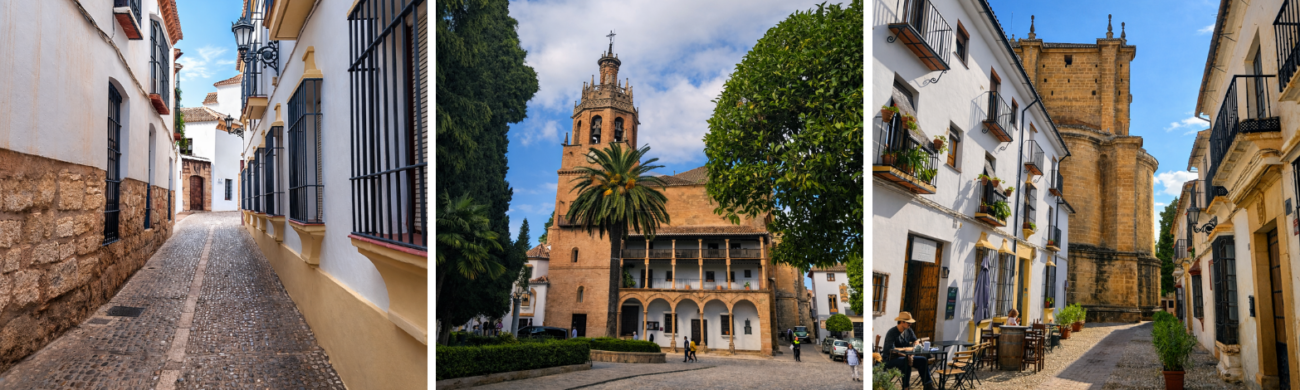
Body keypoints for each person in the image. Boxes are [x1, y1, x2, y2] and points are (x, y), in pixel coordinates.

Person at [882, 312, 936, 390]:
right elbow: (892, 350)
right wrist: (907, 352)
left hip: (906, 357)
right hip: (890, 359)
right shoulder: (892, 332)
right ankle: (906, 387)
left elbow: (915, 340)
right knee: (906, 361)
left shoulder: (909, 330)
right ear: (902, 322)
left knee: (923, 360)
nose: (910, 324)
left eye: (911, 323)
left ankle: (928, 385)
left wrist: (916, 345)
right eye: (908, 322)